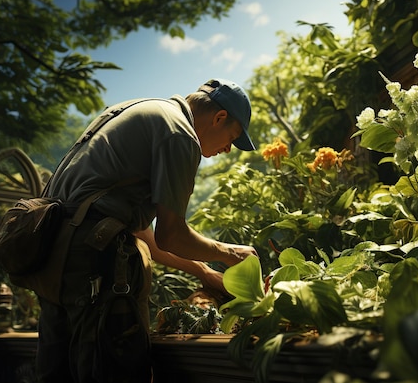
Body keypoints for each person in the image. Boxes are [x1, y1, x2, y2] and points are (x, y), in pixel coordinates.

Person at [36, 78, 259, 383]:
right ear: (219, 118)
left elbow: (145, 235)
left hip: (56, 258)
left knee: (56, 371)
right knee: (114, 370)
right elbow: (172, 235)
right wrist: (233, 254)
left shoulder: (139, 110)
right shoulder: (179, 134)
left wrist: (205, 273)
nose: (228, 150)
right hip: (94, 263)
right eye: (231, 137)